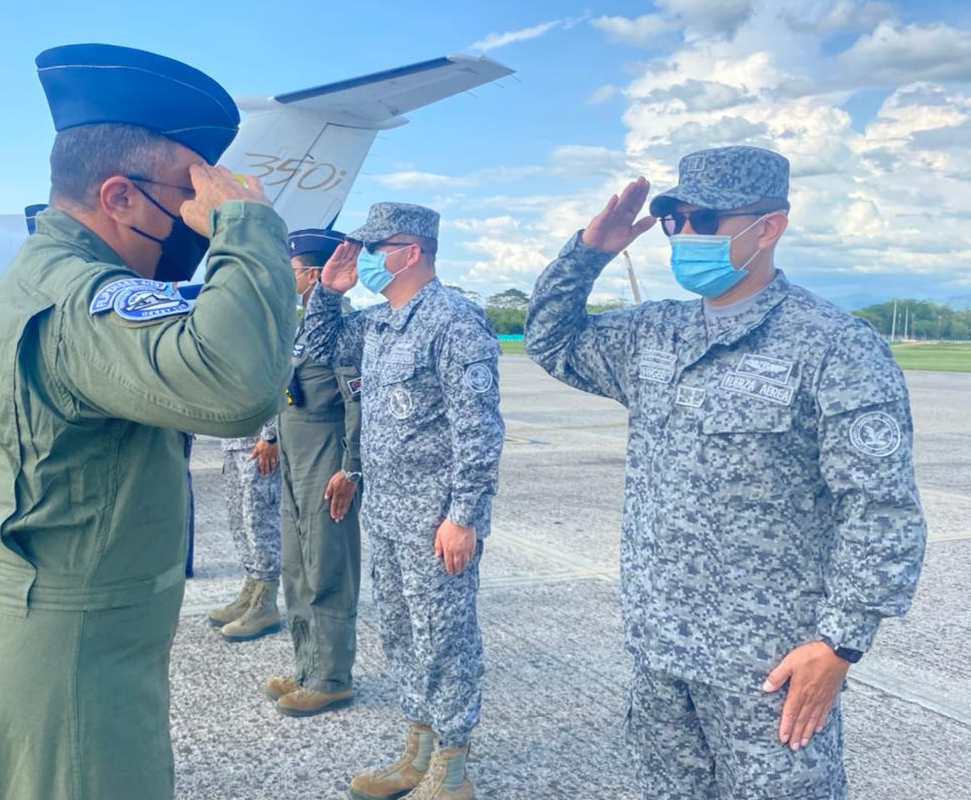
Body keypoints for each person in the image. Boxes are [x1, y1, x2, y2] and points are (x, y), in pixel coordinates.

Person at [0, 44, 296, 800]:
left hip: (57, 647)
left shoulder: (43, 275)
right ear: (121, 196)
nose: (197, 218)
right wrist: (247, 226)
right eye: (188, 195)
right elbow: (238, 386)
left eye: (211, 200)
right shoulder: (80, 298)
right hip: (66, 673)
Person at [523, 146, 928, 799]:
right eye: (673, 220)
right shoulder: (655, 333)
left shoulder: (832, 344)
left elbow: (879, 508)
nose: (682, 235)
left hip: (769, 667)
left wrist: (841, 645)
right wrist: (588, 252)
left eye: (702, 219)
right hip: (661, 652)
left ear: (768, 227)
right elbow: (551, 340)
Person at [304, 203, 504, 800]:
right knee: (401, 632)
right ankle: (416, 747)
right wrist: (330, 292)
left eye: (372, 249)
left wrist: (464, 516)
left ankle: (453, 764)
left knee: (445, 635)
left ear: (410, 251)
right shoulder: (378, 323)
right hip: (387, 511)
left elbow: (479, 427)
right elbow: (315, 348)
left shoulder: (453, 320)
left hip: (435, 519)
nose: (362, 259)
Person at [264, 228, 365, 718]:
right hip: (293, 454)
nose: (290, 279)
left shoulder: (345, 331)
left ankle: (332, 676)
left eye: (295, 271)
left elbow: (358, 406)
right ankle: (307, 666)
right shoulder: (304, 327)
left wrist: (352, 469)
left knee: (328, 567)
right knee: (296, 567)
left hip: (327, 458)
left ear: (315, 274)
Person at [209, 419, 283, 641]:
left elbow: (282, 385)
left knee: (260, 521)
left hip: (261, 440)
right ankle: (250, 592)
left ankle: (265, 604)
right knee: (239, 522)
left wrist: (272, 434)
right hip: (234, 440)